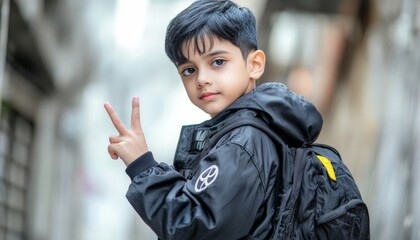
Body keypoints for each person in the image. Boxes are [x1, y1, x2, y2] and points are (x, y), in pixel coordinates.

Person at [104, 0, 322, 239]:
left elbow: (193, 227)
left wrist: (142, 166)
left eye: (217, 62)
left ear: (255, 64)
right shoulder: (253, 132)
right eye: (189, 70)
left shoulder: (244, 143)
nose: (202, 79)